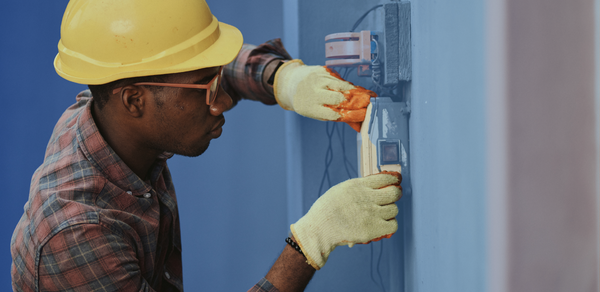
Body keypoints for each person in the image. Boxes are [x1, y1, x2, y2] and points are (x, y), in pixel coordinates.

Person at [10, 1, 402, 291]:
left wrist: (281, 78)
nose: (222, 102)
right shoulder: (76, 235)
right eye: (206, 89)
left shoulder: (107, 109)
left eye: (216, 82)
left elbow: (191, 72)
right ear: (134, 101)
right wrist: (310, 243)